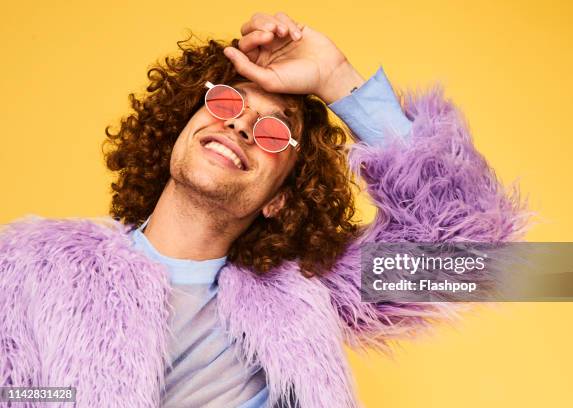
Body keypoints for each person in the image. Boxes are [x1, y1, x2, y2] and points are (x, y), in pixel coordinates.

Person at [0, 11, 529, 408]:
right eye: (227, 103)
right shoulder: (30, 265)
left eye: (274, 131)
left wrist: (336, 76)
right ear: (177, 130)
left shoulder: (305, 298)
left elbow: (471, 251)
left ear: (280, 197)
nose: (241, 126)